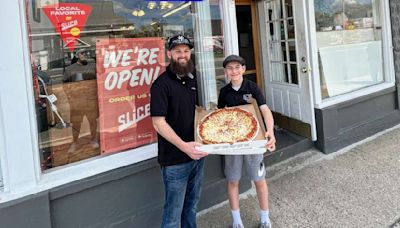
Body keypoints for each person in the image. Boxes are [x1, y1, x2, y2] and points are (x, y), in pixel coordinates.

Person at [150, 35, 208, 228]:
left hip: (198, 155)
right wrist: (184, 147)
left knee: (191, 207)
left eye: (186, 51)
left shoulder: (194, 78)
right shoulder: (161, 85)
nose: (182, 55)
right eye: (177, 51)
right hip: (175, 160)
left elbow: (200, 112)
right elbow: (158, 123)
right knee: (173, 214)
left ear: (190, 53)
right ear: (169, 54)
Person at [218, 55, 276, 228]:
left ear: (243, 69)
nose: (233, 71)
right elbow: (221, 117)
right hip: (233, 143)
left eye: (237, 67)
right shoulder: (224, 92)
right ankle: (237, 221)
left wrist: (270, 130)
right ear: (226, 72)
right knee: (233, 180)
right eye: (230, 68)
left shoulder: (252, 87)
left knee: (259, 179)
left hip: (254, 139)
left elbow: (265, 110)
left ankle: (265, 218)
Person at [63, 49, 98, 153]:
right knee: (76, 122)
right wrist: (70, 97)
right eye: (83, 53)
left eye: (88, 53)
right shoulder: (69, 69)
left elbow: (102, 75)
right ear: (77, 55)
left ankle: (93, 139)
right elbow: (64, 85)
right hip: (77, 101)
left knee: (93, 121)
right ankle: (74, 142)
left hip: (91, 99)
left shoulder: (93, 66)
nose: (86, 55)